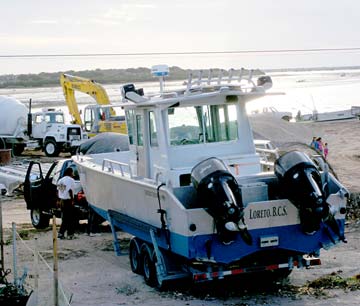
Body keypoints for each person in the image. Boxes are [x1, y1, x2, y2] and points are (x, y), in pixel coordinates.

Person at [57, 167, 76, 240]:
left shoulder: (61, 180)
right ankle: (67, 234)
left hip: (62, 201)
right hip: (68, 201)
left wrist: (58, 200)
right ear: (70, 172)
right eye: (72, 172)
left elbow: (59, 191)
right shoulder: (71, 180)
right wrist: (72, 200)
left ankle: (65, 233)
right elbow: (70, 191)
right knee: (70, 218)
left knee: (65, 218)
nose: (73, 174)